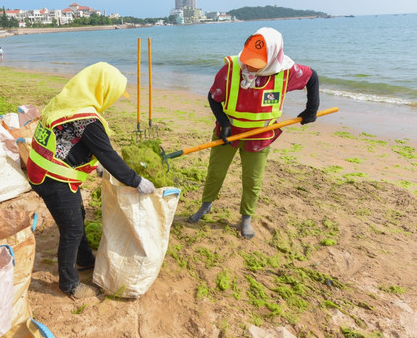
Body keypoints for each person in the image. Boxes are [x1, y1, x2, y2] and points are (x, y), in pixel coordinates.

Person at [26, 62, 156, 299]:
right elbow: (109, 155)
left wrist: (92, 166)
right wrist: (136, 181)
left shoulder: (66, 102)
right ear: (103, 90)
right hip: (53, 178)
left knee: (78, 215)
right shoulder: (87, 121)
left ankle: (84, 259)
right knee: (72, 230)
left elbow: (68, 141)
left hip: (42, 170)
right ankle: (69, 285)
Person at [188, 27, 320, 240]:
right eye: (248, 59)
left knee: (252, 179)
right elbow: (213, 97)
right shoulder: (231, 69)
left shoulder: (286, 72)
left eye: (255, 63)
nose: (248, 65)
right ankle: (206, 205)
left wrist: (311, 110)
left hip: (260, 137)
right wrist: (224, 122)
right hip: (228, 133)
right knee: (216, 172)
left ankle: (246, 217)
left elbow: (312, 77)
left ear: (272, 59)